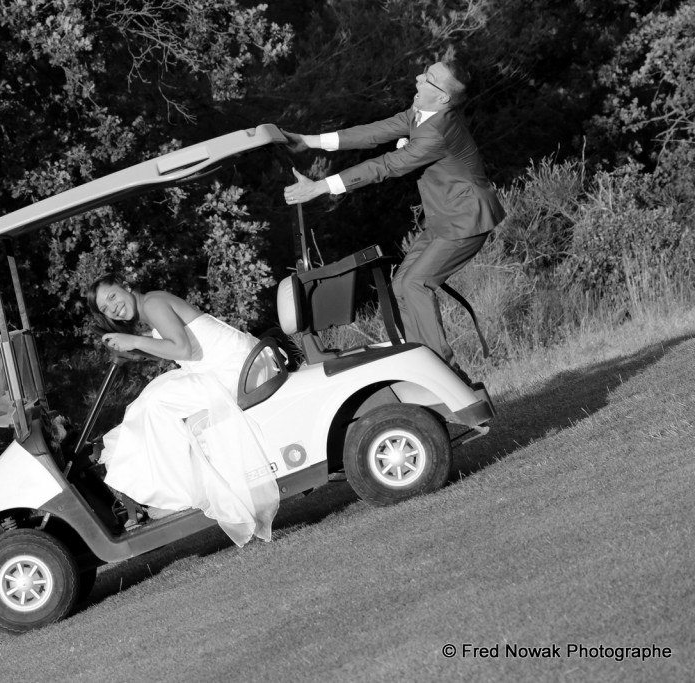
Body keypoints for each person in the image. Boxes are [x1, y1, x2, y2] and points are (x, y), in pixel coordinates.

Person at [281, 52, 505, 379]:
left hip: (467, 219)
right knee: (401, 282)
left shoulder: (436, 132)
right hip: (445, 217)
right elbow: (376, 131)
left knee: (416, 283)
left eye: (427, 78)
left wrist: (319, 188)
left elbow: (385, 166)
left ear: (443, 96)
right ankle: (423, 364)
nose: (417, 79)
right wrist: (309, 141)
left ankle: (446, 374)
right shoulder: (421, 112)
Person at [87, 274, 279, 547]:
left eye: (113, 297)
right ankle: (169, 489)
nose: (113, 308)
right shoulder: (150, 308)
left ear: (126, 286)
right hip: (223, 366)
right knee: (150, 400)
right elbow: (174, 347)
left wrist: (135, 342)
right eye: (105, 309)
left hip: (233, 369)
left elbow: (183, 348)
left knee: (154, 404)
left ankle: (176, 494)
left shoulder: (153, 303)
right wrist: (138, 348)